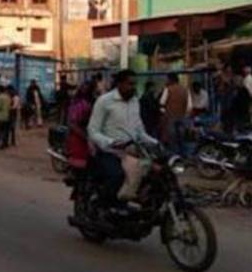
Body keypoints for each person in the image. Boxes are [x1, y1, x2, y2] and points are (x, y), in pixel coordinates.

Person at [87, 69, 158, 206]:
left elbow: (139, 131)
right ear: (119, 84)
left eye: (134, 84)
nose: (133, 87)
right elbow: (93, 130)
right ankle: (107, 207)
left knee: (153, 174)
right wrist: (111, 143)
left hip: (132, 151)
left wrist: (155, 142)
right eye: (129, 84)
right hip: (110, 152)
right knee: (117, 175)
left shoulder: (135, 102)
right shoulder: (104, 101)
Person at [66, 80, 97, 170]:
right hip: (79, 136)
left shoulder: (94, 101)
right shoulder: (78, 103)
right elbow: (72, 123)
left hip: (90, 134)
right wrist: (85, 136)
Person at [159, 72, 192, 156]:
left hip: (170, 117)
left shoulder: (168, 89)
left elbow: (162, 102)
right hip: (182, 117)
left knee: (172, 138)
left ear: (170, 79)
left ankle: (174, 157)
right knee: (182, 138)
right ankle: (183, 156)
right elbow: (189, 106)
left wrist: (164, 113)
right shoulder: (185, 89)